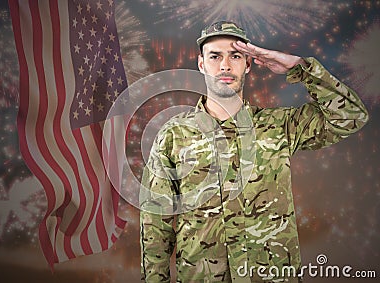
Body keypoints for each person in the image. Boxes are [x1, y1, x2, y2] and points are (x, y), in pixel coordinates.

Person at [139, 21, 368, 283]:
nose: (225, 65)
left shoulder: (280, 126)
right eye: (215, 56)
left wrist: (299, 68)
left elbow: (350, 116)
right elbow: (155, 224)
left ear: (248, 64)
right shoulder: (173, 136)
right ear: (201, 64)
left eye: (235, 56)